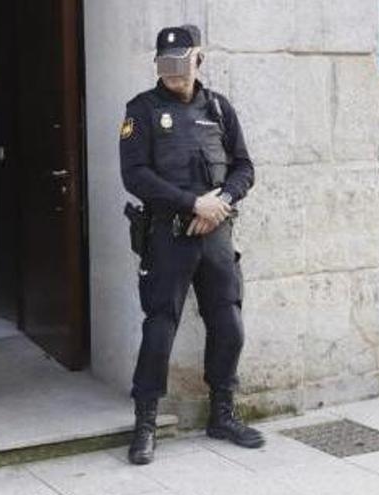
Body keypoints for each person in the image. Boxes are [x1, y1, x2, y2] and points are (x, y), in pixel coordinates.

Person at [119, 25, 263, 465]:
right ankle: (145, 423)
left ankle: (222, 413)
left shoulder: (218, 108)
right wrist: (191, 203)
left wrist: (220, 201)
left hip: (216, 236)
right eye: (165, 63)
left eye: (181, 61)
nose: (173, 72)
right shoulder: (141, 110)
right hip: (168, 238)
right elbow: (136, 175)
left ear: (198, 58)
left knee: (229, 326)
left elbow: (243, 167)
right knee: (159, 328)